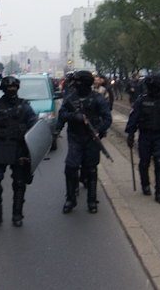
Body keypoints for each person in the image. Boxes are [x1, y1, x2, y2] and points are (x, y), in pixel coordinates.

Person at [0, 76, 39, 229]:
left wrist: (35, 149)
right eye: (8, 88)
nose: (11, 91)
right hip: (0, 148)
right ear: (3, 90)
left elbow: (35, 127)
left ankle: (17, 214)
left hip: (19, 148)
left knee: (19, 182)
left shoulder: (25, 107)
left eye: (14, 88)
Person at [57, 70, 111, 214]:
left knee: (91, 169)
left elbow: (107, 118)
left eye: (79, 82)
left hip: (91, 138)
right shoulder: (70, 98)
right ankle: (70, 199)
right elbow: (61, 114)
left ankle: (92, 200)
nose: (76, 84)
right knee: (70, 168)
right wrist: (73, 116)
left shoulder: (97, 99)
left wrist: (99, 130)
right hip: (75, 137)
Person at [125, 75, 160, 205]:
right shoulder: (142, 100)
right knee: (144, 162)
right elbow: (134, 117)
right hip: (145, 135)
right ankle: (145, 184)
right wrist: (130, 133)